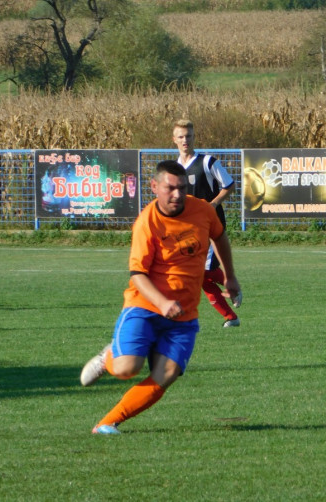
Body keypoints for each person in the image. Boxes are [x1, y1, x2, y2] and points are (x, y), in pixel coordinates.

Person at [79, 160, 242, 435]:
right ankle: (108, 357)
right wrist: (162, 303)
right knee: (127, 368)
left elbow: (220, 236)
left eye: (182, 188)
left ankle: (107, 423)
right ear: (154, 187)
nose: (177, 195)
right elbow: (137, 274)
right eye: (170, 188)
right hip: (144, 307)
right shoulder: (147, 222)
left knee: (165, 375)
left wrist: (230, 276)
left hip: (184, 315)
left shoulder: (203, 210)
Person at [172, 119, 241, 328]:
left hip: (210, 225)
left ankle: (231, 295)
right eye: (181, 136)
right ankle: (231, 312)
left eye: (189, 136)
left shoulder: (208, 162)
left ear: (194, 137)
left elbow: (229, 185)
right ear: (174, 139)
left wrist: (213, 204)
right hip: (187, 228)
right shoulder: (175, 168)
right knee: (202, 276)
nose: (185, 140)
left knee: (203, 273)